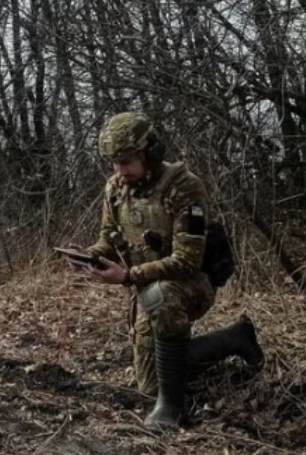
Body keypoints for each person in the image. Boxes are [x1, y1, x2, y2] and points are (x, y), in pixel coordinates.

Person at [75, 111, 264, 431]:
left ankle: (172, 411)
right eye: (115, 163)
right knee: (149, 385)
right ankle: (235, 338)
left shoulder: (184, 188)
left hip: (190, 284)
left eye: (128, 162)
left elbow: (187, 261)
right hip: (148, 290)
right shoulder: (115, 189)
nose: (120, 171)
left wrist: (128, 276)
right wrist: (90, 255)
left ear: (150, 153)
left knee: (162, 296)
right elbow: (109, 236)